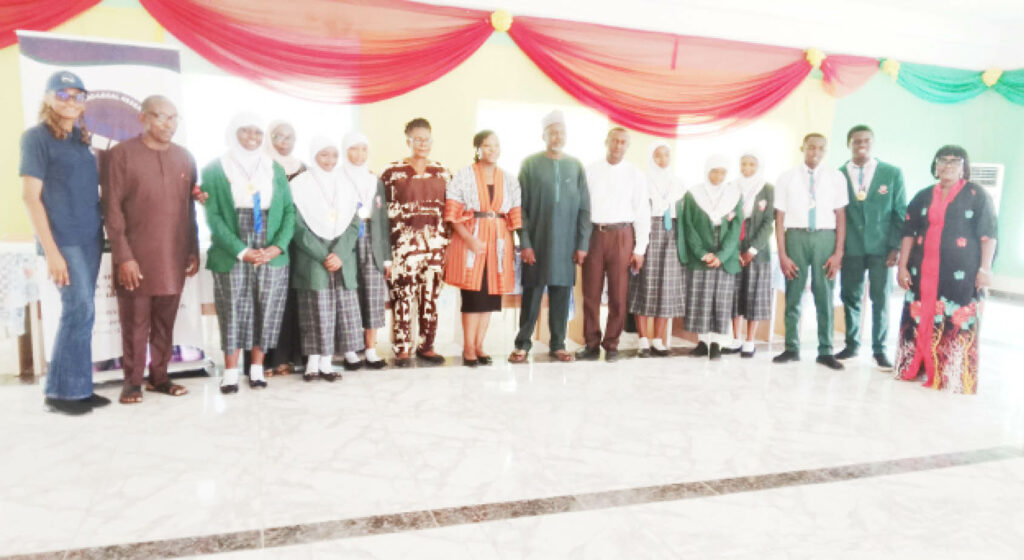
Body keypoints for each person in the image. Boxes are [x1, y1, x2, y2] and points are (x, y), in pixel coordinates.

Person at [20, 70, 110, 415]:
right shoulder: (36, 138)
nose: (70, 101)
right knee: (79, 309)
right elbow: (30, 198)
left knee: (82, 313)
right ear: (48, 98)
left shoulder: (81, 140)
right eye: (63, 94)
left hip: (90, 238)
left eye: (77, 95)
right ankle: (60, 394)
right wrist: (52, 252)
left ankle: (76, 388)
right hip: (63, 241)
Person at [102, 95, 199, 404]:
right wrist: (124, 256)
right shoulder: (121, 154)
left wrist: (192, 249)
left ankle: (160, 377)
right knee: (135, 322)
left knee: (164, 322)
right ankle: (132, 382)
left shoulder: (185, 157)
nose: (167, 124)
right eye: (160, 117)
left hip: (174, 255)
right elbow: (112, 210)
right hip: (136, 256)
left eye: (173, 118)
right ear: (142, 118)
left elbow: (189, 210)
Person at [201, 113, 295, 393]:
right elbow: (213, 216)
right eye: (245, 131)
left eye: (257, 132)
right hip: (232, 247)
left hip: (270, 246)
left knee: (266, 307)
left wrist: (278, 246)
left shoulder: (274, 168)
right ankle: (230, 372)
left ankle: (257, 368)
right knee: (232, 307)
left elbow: (288, 211)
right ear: (233, 133)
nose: (252, 137)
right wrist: (242, 251)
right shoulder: (214, 168)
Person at [894, 146, 996, 394]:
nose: (948, 165)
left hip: (960, 273)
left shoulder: (977, 194)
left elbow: (988, 235)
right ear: (935, 165)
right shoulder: (923, 195)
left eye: (955, 161)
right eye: (943, 161)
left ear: (964, 166)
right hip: (923, 270)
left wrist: (985, 269)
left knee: (954, 318)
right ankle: (916, 367)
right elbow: (908, 233)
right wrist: (902, 265)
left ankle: (951, 373)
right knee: (920, 315)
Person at [508, 110, 591, 364]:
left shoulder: (575, 165)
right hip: (538, 243)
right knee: (532, 295)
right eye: (553, 132)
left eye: (561, 132)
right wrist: (526, 244)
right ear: (543, 135)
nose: (558, 137)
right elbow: (521, 207)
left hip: (567, 245)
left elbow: (584, 208)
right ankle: (523, 344)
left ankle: (558, 343)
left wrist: (582, 244)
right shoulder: (530, 164)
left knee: (561, 295)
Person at [444, 130, 523, 366]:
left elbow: (515, 213)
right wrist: (469, 239)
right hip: (472, 239)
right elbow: (452, 213)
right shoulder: (464, 175)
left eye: (496, 145)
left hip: (498, 242)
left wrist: (513, 245)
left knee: (490, 297)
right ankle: (468, 348)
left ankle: (480, 346)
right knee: (472, 297)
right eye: (487, 146)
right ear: (477, 148)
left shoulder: (508, 178)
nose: (493, 150)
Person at [290, 136, 364, 379]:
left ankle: (327, 362)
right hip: (313, 258)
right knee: (315, 311)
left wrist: (340, 253)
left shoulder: (346, 183)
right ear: (313, 155)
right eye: (324, 155)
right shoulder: (299, 184)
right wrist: (323, 254)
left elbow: (354, 222)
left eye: (334, 155)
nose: (329, 160)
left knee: (340, 310)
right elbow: (297, 226)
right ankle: (313, 363)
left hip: (341, 258)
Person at [834, 125, 907, 371]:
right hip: (851, 248)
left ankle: (879, 349)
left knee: (880, 299)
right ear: (849, 144)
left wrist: (895, 247)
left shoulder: (891, 173)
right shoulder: (839, 174)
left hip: (881, 249)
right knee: (850, 297)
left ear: (872, 142)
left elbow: (900, 213)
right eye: (856, 141)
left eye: (866, 140)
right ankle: (852, 344)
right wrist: (838, 249)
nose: (861, 144)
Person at [773, 134, 847, 370]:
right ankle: (791, 347)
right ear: (802, 148)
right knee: (793, 293)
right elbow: (780, 218)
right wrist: (783, 254)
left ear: (826, 150)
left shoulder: (836, 177)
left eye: (820, 148)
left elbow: (841, 216)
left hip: (825, 237)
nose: (815, 151)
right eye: (811, 147)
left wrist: (838, 252)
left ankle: (825, 350)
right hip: (795, 236)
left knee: (824, 294)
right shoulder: (787, 178)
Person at [380, 118, 451, 367]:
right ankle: (401, 347)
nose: (423, 144)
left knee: (430, 297)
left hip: (435, 247)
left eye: (427, 139)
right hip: (403, 249)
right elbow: (385, 213)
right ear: (408, 140)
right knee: (403, 297)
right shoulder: (392, 172)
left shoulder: (442, 172)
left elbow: (449, 212)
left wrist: (446, 245)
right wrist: (389, 251)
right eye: (417, 139)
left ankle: (427, 345)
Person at [576, 128, 650, 362]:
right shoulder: (590, 171)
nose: (618, 145)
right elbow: (581, 209)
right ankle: (591, 343)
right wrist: (580, 243)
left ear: (627, 146)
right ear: (606, 142)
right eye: (615, 141)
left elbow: (642, 213)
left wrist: (640, 249)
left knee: (619, 295)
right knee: (591, 293)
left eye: (623, 142)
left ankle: (612, 344)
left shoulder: (635, 175)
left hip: (622, 236)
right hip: (595, 235)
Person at [677, 155, 743, 360]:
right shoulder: (693, 194)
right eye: (714, 171)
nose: (718, 176)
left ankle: (716, 343)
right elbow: (688, 226)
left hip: (725, 255)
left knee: (721, 299)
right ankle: (702, 342)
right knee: (700, 298)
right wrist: (702, 253)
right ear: (707, 171)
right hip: (701, 255)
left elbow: (736, 228)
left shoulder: (734, 194)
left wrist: (721, 256)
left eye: (723, 172)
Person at [258, 119, 308, 377]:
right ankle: (267, 360)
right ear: (269, 138)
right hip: (271, 243)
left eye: (290, 138)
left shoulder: (304, 169)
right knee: (270, 301)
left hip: (300, 245)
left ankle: (291, 358)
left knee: (294, 301)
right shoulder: (261, 166)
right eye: (278, 136)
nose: (284, 142)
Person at [629, 142, 686, 357]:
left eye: (666, 155)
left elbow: (683, 211)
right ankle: (643, 339)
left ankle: (658, 340)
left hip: (672, 233)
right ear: (651, 157)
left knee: (666, 287)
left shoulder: (678, 182)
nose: (663, 159)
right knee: (645, 285)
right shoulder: (642, 180)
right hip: (648, 232)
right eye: (658, 155)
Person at [342, 132, 391, 369]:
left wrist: (387, 258)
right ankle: (350, 350)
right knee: (349, 293)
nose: (359, 154)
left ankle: (370, 349)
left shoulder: (375, 181)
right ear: (345, 150)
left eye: (363, 149)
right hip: (347, 238)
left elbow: (383, 221)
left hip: (371, 238)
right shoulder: (337, 178)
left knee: (372, 294)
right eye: (354, 149)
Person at [728, 151, 774, 358]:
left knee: (753, 293)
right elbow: (725, 218)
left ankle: (749, 340)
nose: (747, 168)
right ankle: (736, 338)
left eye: (751, 165)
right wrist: (735, 249)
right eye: (743, 164)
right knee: (735, 292)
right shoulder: (731, 187)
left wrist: (752, 250)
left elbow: (768, 222)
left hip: (758, 248)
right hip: (734, 245)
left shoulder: (767, 189)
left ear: (759, 166)